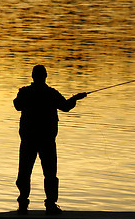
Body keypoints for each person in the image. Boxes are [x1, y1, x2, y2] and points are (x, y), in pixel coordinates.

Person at [13, 65, 87, 215]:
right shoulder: (50, 93)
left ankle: (23, 204)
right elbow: (66, 107)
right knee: (49, 173)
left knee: (25, 172)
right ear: (45, 76)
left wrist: (74, 98)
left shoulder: (26, 92)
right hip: (45, 140)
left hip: (29, 139)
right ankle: (50, 204)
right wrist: (75, 99)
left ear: (33, 76)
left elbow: (17, 105)